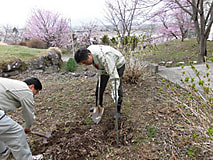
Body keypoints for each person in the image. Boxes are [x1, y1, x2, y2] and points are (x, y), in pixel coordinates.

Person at [74, 45, 126, 119]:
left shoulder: (105, 57)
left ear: (89, 55)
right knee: (100, 87)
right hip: (103, 67)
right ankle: (98, 106)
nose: (86, 64)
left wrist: (115, 94)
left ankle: (118, 110)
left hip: (117, 65)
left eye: (85, 62)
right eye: (83, 63)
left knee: (117, 87)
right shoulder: (88, 52)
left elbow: (114, 77)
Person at [0, 77, 43, 160]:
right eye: (36, 92)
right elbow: (29, 113)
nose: (34, 95)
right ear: (31, 86)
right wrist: (28, 127)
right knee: (17, 133)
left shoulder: (12, 86)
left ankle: (2, 154)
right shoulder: (25, 90)